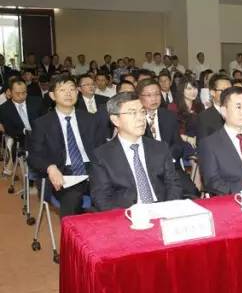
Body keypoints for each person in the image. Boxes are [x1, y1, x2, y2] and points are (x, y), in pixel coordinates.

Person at [28, 75, 108, 215]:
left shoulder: (90, 120)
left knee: (119, 191)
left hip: (92, 170)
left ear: (77, 92)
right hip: (63, 174)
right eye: (62, 90)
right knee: (72, 199)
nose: (68, 93)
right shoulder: (42, 124)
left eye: (72, 89)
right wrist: (50, 167)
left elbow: (102, 149)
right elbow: (34, 156)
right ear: (52, 95)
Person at [89, 93, 182, 211]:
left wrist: (166, 210)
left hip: (161, 209)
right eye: (132, 113)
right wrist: (129, 216)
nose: (140, 118)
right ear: (115, 120)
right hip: (127, 213)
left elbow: (173, 184)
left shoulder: (160, 147)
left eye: (142, 112)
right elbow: (102, 198)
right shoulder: (102, 156)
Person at [0, 78, 43, 173]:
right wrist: (26, 132)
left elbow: (45, 121)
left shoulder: (37, 101)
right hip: (21, 138)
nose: (21, 96)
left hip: (41, 135)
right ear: (10, 92)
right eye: (17, 93)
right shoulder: (4, 109)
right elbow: (10, 130)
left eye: (24, 93)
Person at [167, 75, 203, 152]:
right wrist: (187, 138)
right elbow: (171, 132)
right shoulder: (173, 107)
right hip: (181, 141)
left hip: (197, 139)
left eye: (195, 88)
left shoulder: (199, 105)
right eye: (189, 89)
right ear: (182, 90)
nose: (193, 91)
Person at [197, 75, 232, 141]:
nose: (228, 94)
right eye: (224, 90)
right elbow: (203, 144)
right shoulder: (204, 117)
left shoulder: (237, 112)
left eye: (230, 90)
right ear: (212, 92)